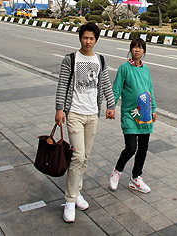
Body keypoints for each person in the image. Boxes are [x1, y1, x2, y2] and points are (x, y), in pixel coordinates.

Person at [55, 22, 115, 223]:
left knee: (85, 157)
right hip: (74, 114)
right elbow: (62, 84)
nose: (87, 41)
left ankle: (77, 192)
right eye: (85, 37)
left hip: (92, 115)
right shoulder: (70, 59)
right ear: (80, 38)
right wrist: (59, 109)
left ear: (96, 40)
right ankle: (70, 200)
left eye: (91, 38)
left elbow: (105, 83)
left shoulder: (100, 60)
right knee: (78, 156)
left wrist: (111, 105)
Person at [109, 38, 156, 194]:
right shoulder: (124, 68)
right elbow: (116, 89)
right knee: (131, 148)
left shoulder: (145, 69)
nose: (138, 50)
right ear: (131, 50)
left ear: (144, 51)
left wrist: (153, 109)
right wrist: (111, 106)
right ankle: (117, 171)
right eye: (135, 47)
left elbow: (149, 90)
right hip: (130, 114)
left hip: (145, 114)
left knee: (143, 148)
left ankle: (136, 178)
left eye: (141, 48)